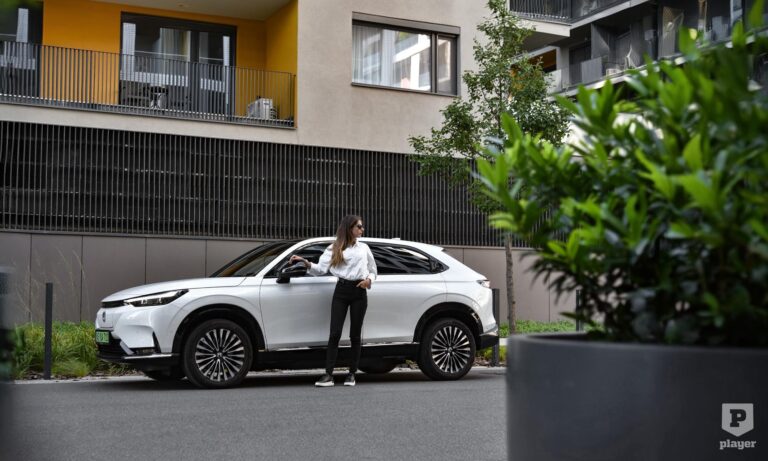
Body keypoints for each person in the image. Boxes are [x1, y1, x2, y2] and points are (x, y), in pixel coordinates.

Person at [290, 215, 377, 387]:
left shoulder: (364, 248)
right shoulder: (334, 247)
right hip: (341, 291)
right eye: (359, 226)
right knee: (334, 333)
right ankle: (328, 374)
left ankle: (352, 374)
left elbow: (373, 270)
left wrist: (369, 280)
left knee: (355, 335)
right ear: (349, 228)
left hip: (359, 291)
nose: (362, 229)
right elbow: (320, 269)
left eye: (362, 226)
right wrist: (305, 263)